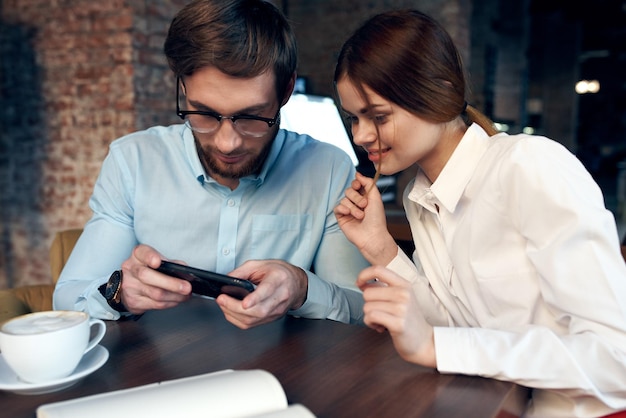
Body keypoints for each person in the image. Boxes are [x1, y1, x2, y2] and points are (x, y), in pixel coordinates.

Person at [333, 9, 626, 418]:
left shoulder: (528, 166)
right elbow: (455, 332)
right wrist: (381, 247)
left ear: (439, 92)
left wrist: (432, 347)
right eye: (353, 118)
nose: (361, 136)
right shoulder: (424, 198)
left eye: (378, 116)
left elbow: (616, 359)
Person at [53, 0, 369, 329]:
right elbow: (67, 298)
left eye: (251, 117)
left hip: (277, 373)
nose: (227, 143)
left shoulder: (328, 169)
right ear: (182, 87)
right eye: (204, 114)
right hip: (157, 373)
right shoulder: (132, 162)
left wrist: (302, 287)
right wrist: (120, 292)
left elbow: (360, 308)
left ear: (286, 90)